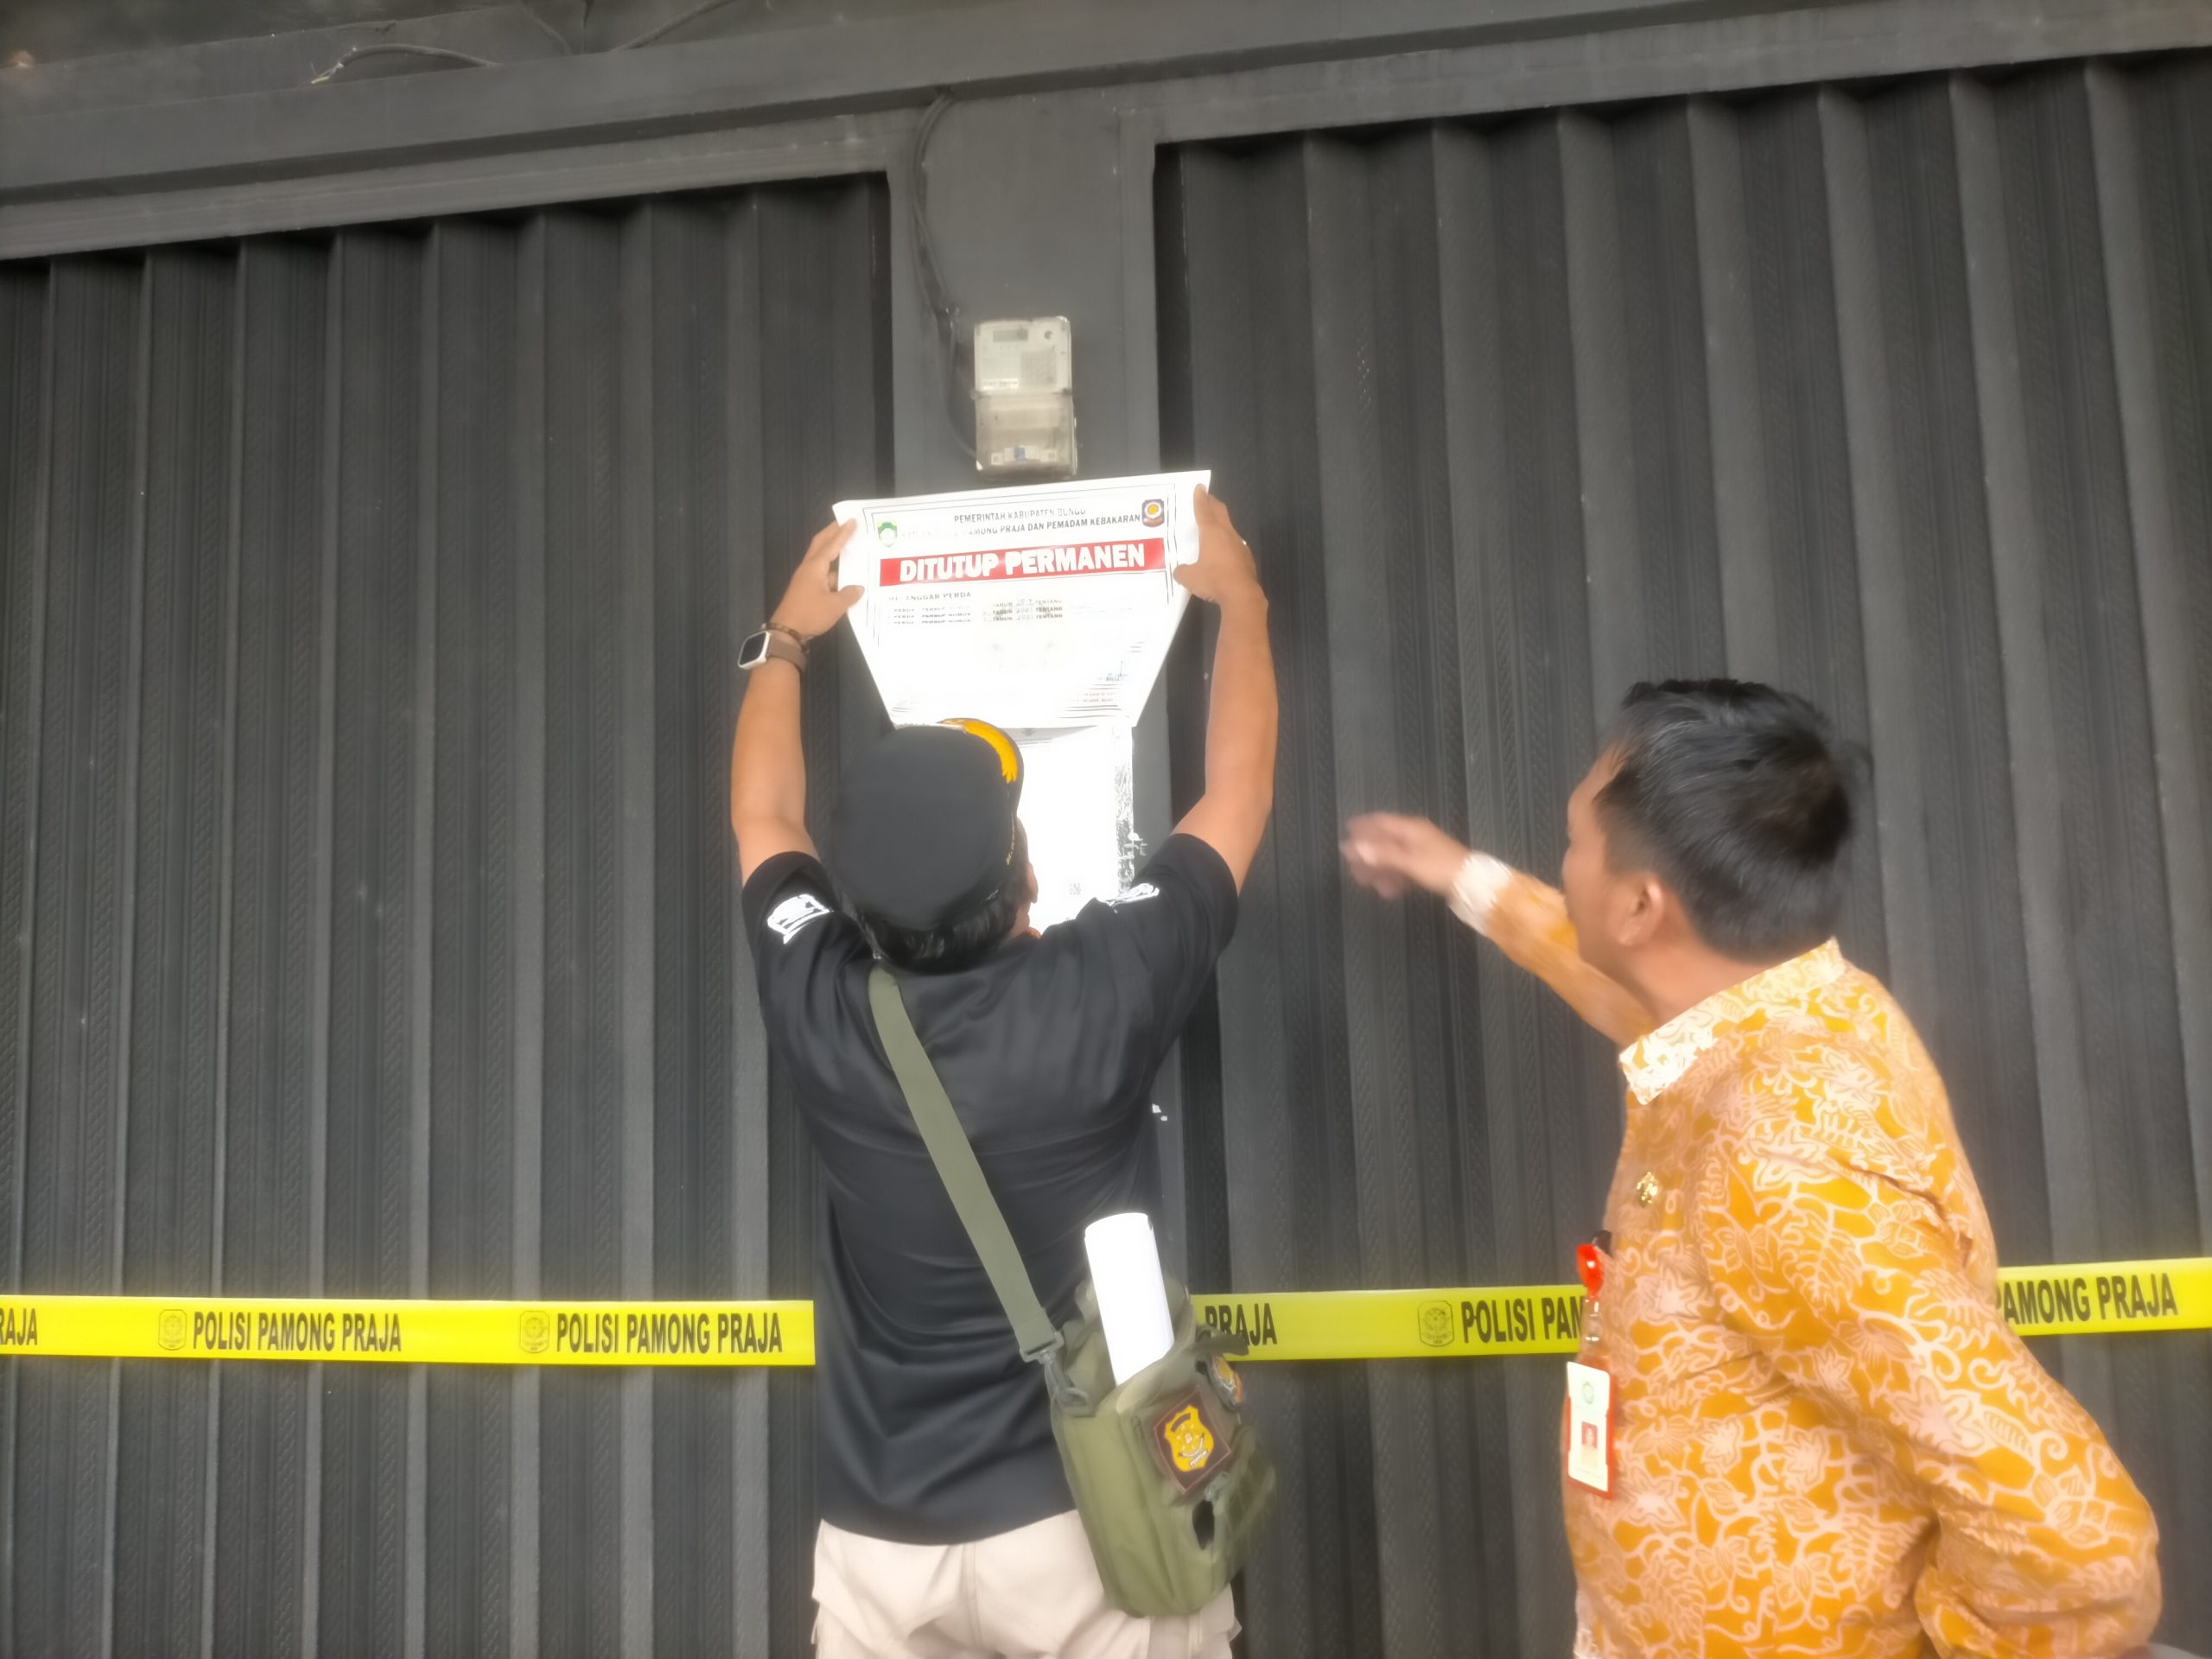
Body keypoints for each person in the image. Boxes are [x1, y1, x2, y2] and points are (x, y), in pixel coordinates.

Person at [1342, 678, 2162, 1659]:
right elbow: (1605, 973)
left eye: (1573, 843)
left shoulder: (1775, 1148)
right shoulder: (1779, 1012)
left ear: (1641, 906)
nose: (1564, 866)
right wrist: (1463, 877)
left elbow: (2083, 1549)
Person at [731, 486, 1277, 1659]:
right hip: (1091, 1531)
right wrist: (1241, 604)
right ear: (1027, 880)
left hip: (881, 1547)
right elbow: (1236, 796)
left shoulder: (821, 997)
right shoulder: (1102, 988)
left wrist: (783, 641)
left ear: (857, 910)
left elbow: (764, 818)